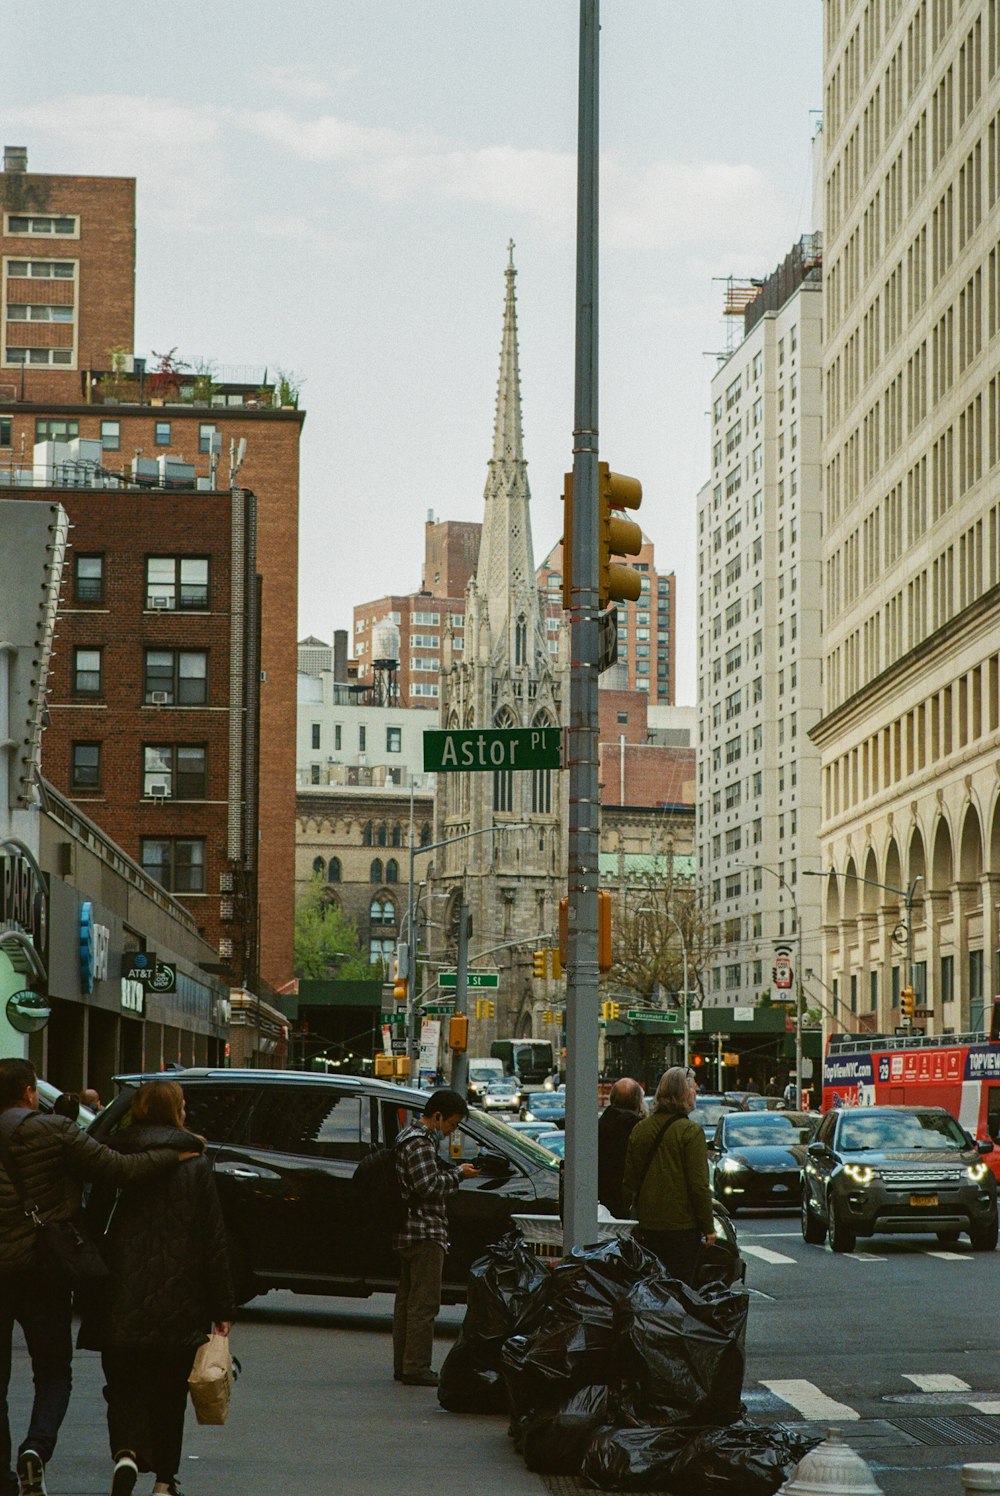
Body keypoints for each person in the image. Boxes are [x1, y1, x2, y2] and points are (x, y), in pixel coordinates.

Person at [0, 1058, 192, 1496]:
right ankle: (36, 1447)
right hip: (43, 1270)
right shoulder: (54, 1132)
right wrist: (171, 1153)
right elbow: (118, 1169)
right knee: (52, 1374)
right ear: (30, 1093)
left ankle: (3, 1479)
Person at [81, 1079, 234, 1496]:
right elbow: (212, 1239)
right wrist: (223, 1307)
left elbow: (93, 1222)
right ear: (176, 1111)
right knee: (170, 1393)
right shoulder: (195, 1162)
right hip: (180, 1297)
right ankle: (165, 1481)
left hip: (119, 1293)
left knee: (123, 1385)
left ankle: (127, 1452)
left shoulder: (112, 1155)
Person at [392, 1089, 480, 1387]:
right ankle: (416, 1366)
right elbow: (428, 1186)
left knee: (407, 1302)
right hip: (424, 1231)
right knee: (424, 1304)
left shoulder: (407, 1137)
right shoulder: (419, 1143)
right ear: (438, 1116)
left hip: (409, 1230)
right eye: (452, 1124)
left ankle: (404, 1364)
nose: (452, 1131)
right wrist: (458, 1175)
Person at [622, 1066, 717, 1286]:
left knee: (650, 1287)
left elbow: (629, 1181)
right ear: (683, 1093)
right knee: (678, 1288)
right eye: (693, 1088)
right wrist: (708, 1227)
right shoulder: (690, 1132)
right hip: (681, 1228)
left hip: (647, 1225)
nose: (696, 1094)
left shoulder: (640, 1129)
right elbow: (699, 1186)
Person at [597, 1078, 646, 1218]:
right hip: (630, 1203)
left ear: (612, 1099)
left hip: (602, 1200)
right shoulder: (641, 1130)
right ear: (638, 1102)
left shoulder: (600, 1127)